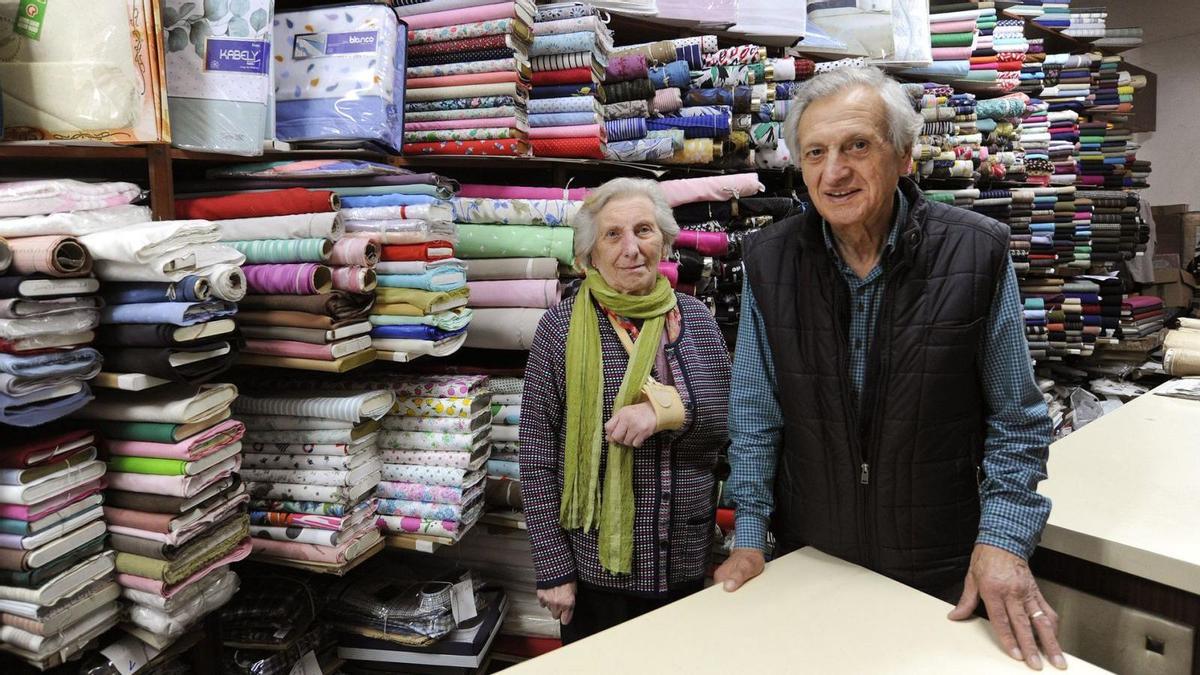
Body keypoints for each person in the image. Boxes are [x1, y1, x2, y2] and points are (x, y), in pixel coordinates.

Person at [713, 66, 1067, 671]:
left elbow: (1018, 419)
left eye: (857, 146)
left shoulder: (975, 253)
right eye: (815, 152)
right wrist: (749, 535)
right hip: (813, 559)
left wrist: (1004, 541)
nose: (834, 172)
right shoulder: (771, 262)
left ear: (904, 156)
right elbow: (755, 413)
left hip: (940, 565)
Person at [519, 177, 731, 644]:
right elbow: (537, 459)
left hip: (687, 564)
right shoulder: (559, 329)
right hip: (597, 574)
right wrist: (554, 568)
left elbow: (725, 425)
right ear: (590, 253)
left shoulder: (696, 320)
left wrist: (667, 412)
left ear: (666, 241)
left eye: (644, 230)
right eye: (613, 235)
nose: (632, 248)